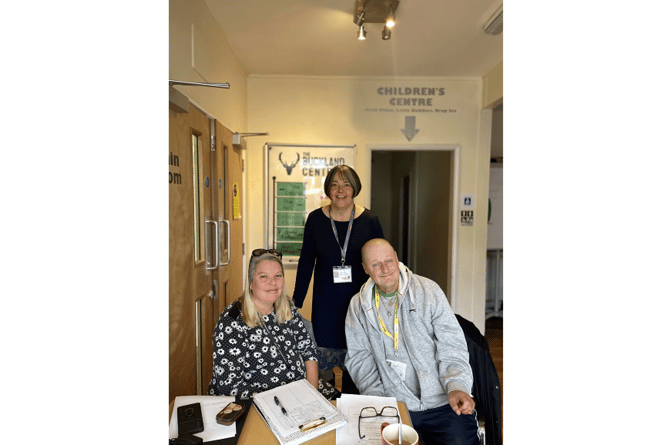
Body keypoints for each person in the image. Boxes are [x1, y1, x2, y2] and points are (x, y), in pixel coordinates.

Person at [344, 239, 480, 445]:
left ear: (397, 258)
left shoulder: (428, 291)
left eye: (389, 260)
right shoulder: (357, 306)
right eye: (375, 264)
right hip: (395, 404)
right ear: (365, 268)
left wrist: (457, 386)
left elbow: (451, 344)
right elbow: (360, 358)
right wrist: (380, 403)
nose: (384, 269)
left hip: (444, 401)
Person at [207, 249, 339, 400]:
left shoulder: (286, 305)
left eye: (278, 276)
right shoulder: (232, 322)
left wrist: (313, 396)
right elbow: (229, 387)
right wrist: (283, 401)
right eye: (263, 276)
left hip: (302, 391)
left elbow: (308, 350)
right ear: (251, 282)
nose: (273, 282)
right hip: (259, 402)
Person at [293, 165, 384, 352]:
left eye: (346, 185)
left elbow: (381, 261)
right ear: (328, 190)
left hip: (360, 300)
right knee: (326, 353)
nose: (340, 191)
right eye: (334, 185)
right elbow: (306, 262)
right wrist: (296, 302)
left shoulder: (370, 221)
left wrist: (384, 299)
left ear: (355, 188)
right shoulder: (315, 220)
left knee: (358, 352)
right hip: (325, 301)